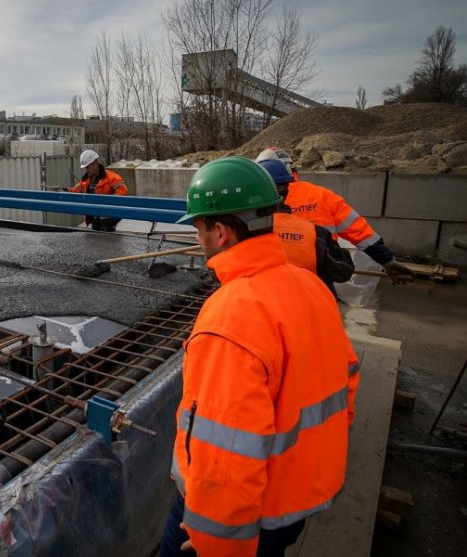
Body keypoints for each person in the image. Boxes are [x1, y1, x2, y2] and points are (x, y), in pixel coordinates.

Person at [161, 157, 360, 557]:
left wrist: (216, 543)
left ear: (219, 231)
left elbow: (224, 454)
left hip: (245, 518)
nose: (198, 238)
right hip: (297, 497)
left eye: (198, 227)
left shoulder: (230, 317)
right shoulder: (308, 285)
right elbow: (346, 381)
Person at [255, 147, 413, 284]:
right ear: (292, 169)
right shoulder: (321, 195)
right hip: (320, 276)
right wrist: (387, 261)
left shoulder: (254, 201)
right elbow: (361, 232)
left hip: (269, 277)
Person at [258, 159, 355, 292]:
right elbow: (343, 271)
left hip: (260, 304)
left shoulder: (239, 232)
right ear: (287, 189)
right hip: (306, 303)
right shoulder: (314, 233)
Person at [71, 149, 128, 231]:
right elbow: (77, 189)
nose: (86, 170)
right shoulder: (87, 180)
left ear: (95, 164)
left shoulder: (111, 177)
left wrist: (109, 202)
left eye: (87, 167)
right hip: (95, 219)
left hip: (109, 218)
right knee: (96, 241)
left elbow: (123, 190)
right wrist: (64, 190)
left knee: (107, 241)